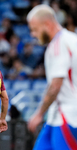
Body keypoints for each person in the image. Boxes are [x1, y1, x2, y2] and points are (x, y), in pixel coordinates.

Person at [27, 4, 77, 150]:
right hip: (56, 116)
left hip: (67, 116)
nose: (33, 35)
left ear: (47, 24)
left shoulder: (58, 45)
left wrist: (38, 114)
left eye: (35, 29)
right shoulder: (72, 39)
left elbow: (55, 84)